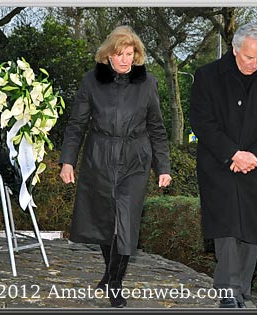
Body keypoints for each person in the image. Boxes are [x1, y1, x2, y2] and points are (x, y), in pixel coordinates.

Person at [58, 25, 172, 308]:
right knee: (106, 223)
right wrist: (67, 161)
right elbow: (76, 125)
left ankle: (115, 281)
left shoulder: (148, 84)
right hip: (100, 158)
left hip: (135, 159)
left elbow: (157, 128)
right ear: (107, 55)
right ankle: (111, 273)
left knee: (126, 224)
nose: (124, 59)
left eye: (129, 54)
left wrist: (164, 167)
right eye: (118, 53)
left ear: (137, 55)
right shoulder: (90, 82)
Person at [190, 22, 257, 308]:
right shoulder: (207, 76)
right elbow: (201, 121)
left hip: (253, 165)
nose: (254, 64)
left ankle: (242, 288)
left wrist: (254, 155)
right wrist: (233, 154)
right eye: (249, 57)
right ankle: (228, 290)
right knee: (227, 226)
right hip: (219, 163)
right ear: (234, 50)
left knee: (249, 228)